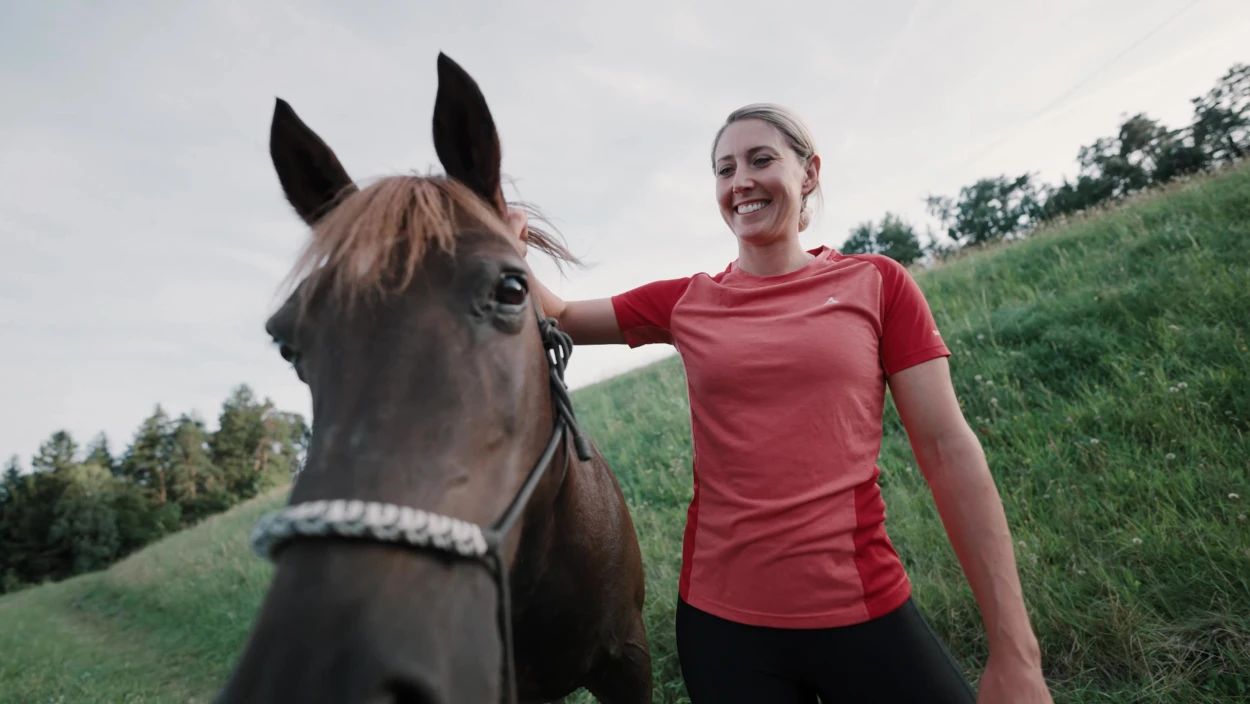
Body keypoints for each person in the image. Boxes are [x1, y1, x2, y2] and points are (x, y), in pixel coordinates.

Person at [502, 104, 1052, 704]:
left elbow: (948, 451)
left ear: (809, 173)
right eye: (724, 168)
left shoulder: (878, 283)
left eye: (761, 159)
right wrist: (501, 243)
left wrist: (1015, 649)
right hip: (724, 627)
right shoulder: (687, 301)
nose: (740, 180)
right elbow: (558, 317)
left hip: (864, 605)